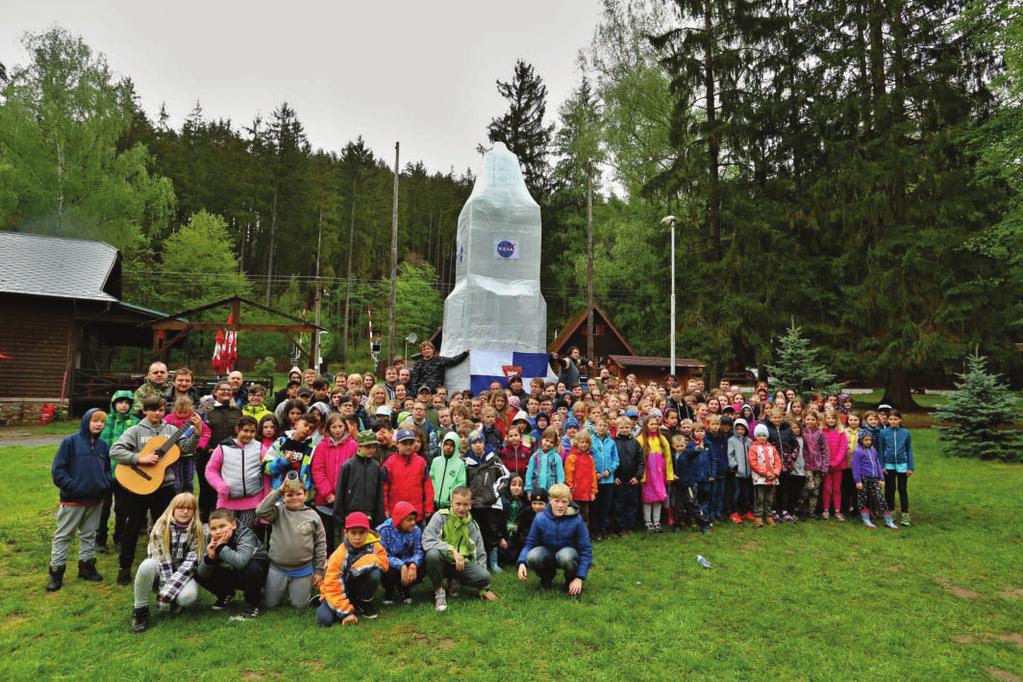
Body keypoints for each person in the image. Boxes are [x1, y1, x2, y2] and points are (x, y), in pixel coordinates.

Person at [110, 396, 199, 586]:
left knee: (165, 528)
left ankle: (163, 565)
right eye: (153, 410)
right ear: (145, 411)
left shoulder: (171, 431)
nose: (157, 413)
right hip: (138, 487)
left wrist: (197, 432)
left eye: (160, 410)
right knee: (132, 528)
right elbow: (115, 451)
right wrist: (139, 459)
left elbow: (185, 448)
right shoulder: (135, 431)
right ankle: (124, 567)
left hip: (164, 487)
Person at [46, 408, 112, 591]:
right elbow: (58, 471)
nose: (99, 424)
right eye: (95, 420)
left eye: (102, 422)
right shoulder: (70, 442)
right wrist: (73, 486)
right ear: (86, 421)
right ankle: (56, 573)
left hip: (95, 501)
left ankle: (87, 568)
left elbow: (107, 470)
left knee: (89, 535)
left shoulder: (103, 446)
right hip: (73, 501)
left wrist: (105, 484)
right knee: (63, 536)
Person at [130, 492, 203, 633]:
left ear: (194, 511)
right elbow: (161, 559)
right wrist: (166, 591)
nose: (185, 511)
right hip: (161, 568)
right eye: (181, 508)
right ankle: (140, 610)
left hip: (184, 572)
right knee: (147, 565)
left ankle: (175, 601)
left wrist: (168, 592)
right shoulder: (160, 527)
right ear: (173, 509)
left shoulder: (198, 529)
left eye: (189, 508)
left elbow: (191, 563)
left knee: (187, 598)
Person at [255, 472, 327, 609]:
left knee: (300, 605)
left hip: (303, 569)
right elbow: (260, 511)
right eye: (289, 495)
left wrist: (318, 571)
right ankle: (278, 587)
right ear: (283, 497)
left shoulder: (313, 516)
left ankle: (297, 589)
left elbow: (320, 544)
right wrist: (279, 490)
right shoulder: (278, 511)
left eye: (298, 494)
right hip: (278, 567)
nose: (294, 497)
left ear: (305, 495)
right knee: (270, 604)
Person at [421, 486, 498, 612]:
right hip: (441, 561)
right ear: (451, 502)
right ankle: (439, 590)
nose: (461, 508)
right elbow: (426, 540)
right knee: (432, 555)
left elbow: (480, 554)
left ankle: (454, 579)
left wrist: (484, 588)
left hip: (461, 566)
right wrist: (451, 550)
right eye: (458, 504)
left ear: (470, 505)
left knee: (485, 576)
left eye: (465, 504)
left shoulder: (472, 526)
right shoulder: (439, 517)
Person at [516, 483, 592, 595]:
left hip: (568, 554)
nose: (560, 505)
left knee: (565, 556)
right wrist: (522, 562)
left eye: (564, 501)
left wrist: (579, 577)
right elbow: (530, 543)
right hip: (549, 553)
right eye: (556, 501)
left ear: (569, 503)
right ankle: (547, 576)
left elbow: (586, 550)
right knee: (532, 557)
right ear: (550, 500)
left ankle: (570, 579)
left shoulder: (577, 520)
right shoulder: (540, 518)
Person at [316, 511, 390, 626]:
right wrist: (346, 613)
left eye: (362, 532)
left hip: (357, 587)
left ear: (368, 532)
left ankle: (363, 603)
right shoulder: (339, 555)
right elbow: (333, 584)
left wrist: (360, 566)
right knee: (323, 620)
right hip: (337, 588)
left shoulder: (374, 545)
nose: (358, 537)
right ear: (346, 533)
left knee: (375, 573)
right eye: (353, 532)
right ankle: (338, 604)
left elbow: (384, 562)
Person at [195, 508, 269, 618]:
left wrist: (220, 547)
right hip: (233, 572)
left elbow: (241, 562)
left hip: (257, 574)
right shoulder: (210, 539)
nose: (218, 531)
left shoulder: (246, 534)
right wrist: (210, 558)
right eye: (213, 528)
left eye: (222, 526)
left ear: (233, 524)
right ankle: (225, 594)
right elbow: (202, 574)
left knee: (252, 567)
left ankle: (251, 605)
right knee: (195, 568)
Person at [205, 415, 268, 532]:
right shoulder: (223, 447)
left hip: (252, 502)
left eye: (252, 431)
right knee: (226, 535)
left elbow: (268, 471)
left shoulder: (260, 448)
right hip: (227, 502)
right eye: (245, 430)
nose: (248, 434)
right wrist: (220, 485)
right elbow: (211, 470)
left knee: (244, 535)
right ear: (237, 429)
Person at [311, 414, 357, 556]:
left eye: (340, 426)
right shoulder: (322, 446)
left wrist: (345, 495)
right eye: (334, 427)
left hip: (346, 500)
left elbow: (355, 472)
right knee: (326, 535)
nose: (337, 430)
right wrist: (328, 494)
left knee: (346, 535)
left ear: (345, 427)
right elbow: (318, 470)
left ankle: (345, 564)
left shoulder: (353, 445)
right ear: (328, 429)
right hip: (325, 500)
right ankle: (326, 564)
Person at [464, 430, 510, 573]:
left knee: (492, 533)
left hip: (491, 503)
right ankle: (478, 561)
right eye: (474, 443)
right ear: (470, 445)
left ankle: (494, 563)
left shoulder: (494, 459)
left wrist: (495, 493)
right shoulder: (466, 463)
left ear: (484, 443)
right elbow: (463, 483)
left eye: (480, 442)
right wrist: (467, 499)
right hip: (475, 505)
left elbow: (505, 476)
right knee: (476, 533)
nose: (478, 445)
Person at [97, 390, 137, 552]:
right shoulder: (104, 421)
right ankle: (99, 539)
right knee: (103, 507)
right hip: (104, 472)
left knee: (122, 508)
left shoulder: (135, 422)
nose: (123, 405)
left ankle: (119, 537)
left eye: (127, 403)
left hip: (125, 472)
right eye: (120, 402)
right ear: (114, 404)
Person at [198, 382, 242, 522]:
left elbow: (239, 433)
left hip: (230, 457)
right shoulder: (206, 408)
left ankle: (226, 521)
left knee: (225, 489)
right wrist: (206, 448)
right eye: (222, 389)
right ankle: (205, 521)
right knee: (207, 490)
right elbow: (197, 429)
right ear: (215, 392)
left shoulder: (236, 411)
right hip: (208, 456)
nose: (226, 392)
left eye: (229, 390)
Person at [334, 430, 387, 528]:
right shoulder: (348, 466)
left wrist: (380, 520)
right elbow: (340, 494)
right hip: (350, 518)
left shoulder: (376, 467)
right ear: (359, 447)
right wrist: (340, 519)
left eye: (374, 447)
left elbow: (379, 496)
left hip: (370, 519)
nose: (371, 450)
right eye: (368, 447)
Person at [381, 428, 435, 521]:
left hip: (416, 514)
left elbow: (428, 486)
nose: (408, 446)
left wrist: (428, 507)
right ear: (397, 444)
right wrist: (385, 508)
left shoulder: (421, 462)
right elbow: (384, 489)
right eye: (404, 443)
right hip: (396, 514)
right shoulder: (389, 464)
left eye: (411, 443)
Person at [376, 501, 423, 606]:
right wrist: (401, 565)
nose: (413, 523)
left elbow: (419, 551)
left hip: (408, 561)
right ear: (399, 520)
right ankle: (389, 591)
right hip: (391, 563)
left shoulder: (416, 530)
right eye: (409, 520)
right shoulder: (382, 530)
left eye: (414, 519)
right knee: (387, 571)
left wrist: (413, 565)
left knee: (422, 568)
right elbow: (382, 555)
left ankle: (405, 588)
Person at [163, 396, 211, 494]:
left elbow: (206, 433)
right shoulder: (168, 419)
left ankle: (188, 500)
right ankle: (176, 500)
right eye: (179, 412)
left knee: (189, 480)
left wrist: (199, 445)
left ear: (191, 410)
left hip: (189, 456)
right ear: (174, 409)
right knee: (175, 481)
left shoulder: (196, 420)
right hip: (173, 457)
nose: (182, 415)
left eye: (185, 413)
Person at [851, 431, 898, 529]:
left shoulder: (873, 450)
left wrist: (881, 478)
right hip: (863, 479)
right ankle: (866, 520)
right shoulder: (858, 451)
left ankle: (888, 521)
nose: (868, 442)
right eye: (865, 440)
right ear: (861, 440)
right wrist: (858, 481)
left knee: (880, 498)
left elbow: (877, 464)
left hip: (874, 479)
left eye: (870, 440)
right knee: (862, 499)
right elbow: (856, 467)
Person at [262, 413, 317, 491]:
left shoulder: (312, 449)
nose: (307, 429)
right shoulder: (280, 443)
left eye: (311, 428)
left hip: (300, 495)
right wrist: (282, 461)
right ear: (297, 424)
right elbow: (266, 468)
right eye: (305, 425)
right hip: (280, 495)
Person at [877, 409, 914, 526]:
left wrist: (910, 467)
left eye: (895, 419)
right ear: (887, 420)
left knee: (902, 489)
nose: (893, 421)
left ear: (900, 420)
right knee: (890, 489)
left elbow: (909, 450)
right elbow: (881, 450)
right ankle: (891, 512)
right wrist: (882, 466)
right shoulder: (883, 433)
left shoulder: (906, 433)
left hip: (902, 465)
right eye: (891, 419)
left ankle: (905, 514)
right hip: (888, 465)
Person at [672, 433, 711, 533]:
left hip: (688, 484)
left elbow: (694, 451)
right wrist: (672, 475)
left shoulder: (687, 454)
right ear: (673, 446)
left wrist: (699, 448)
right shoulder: (672, 456)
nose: (680, 448)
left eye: (682, 446)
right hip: (678, 484)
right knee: (679, 506)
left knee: (693, 504)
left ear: (685, 445)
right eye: (677, 446)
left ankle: (704, 524)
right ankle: (678, 524)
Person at [638, 415, 672, 532]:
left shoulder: (662, 439)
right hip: (647, 474)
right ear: (646, 425)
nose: (654, 426)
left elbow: (668, 458)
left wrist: (669, 475)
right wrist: (641, 476)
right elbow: (639, 460)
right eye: (651, 424)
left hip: (659, 474)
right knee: (648, 498)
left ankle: (656, 521)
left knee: (658, 498)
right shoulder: (641, 439)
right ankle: (648, 521)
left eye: (656, 424)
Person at [612, 416, 644, 534]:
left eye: (627, 427)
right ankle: (620, 528)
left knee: (632, 504)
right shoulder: (613, 442)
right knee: (619, 505)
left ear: (631, 428)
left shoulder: (635, 443)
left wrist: (638, 476)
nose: (624, 430)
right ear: (616, 428)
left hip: (633, 480)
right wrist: (614, 477)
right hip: (619, 480)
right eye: (622, 427)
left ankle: (630, 526)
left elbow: (641, 461)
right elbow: (611, 461)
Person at [589, 416, 619, 541]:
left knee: (606, 506)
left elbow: (616, 460)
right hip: (595, 480)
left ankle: (604, 529)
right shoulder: (591, 440)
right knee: (595, 506)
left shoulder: (611, 442)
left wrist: (609, 470)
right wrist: (594, 472)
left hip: (608, 480)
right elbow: (588, 457)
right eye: (600, 425)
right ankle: (595, 531)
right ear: (595, 426)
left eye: (604, 426)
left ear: (608, 428)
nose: (602, 428)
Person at [749, 424, 782, 527]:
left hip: (772, 477)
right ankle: (758, 517)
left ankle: (769, 515)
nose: (762, 437)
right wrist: (764, 472)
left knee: (769, 498)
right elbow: (753, 463)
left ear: (767, 436)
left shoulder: (772, 448)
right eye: (759, 435)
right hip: (760, 478)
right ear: (756, 436)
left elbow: (778, 461)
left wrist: (775, 473)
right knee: (759, 498)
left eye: (764, 435)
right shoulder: (753, 448)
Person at [564, 430, 598, 530]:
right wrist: (569, 490)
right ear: (576, 443)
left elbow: (593, 476)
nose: (584, 444)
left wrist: (593, 491)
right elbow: (568, 475)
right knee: (574, 515)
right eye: (582, 442)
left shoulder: (590, 458)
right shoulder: (572, 457)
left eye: (586, 442)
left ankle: (584, 535)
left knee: (585, 515)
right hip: (575, 493)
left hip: (586, 493)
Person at [821, 410, 849, 521]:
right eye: (828, 418)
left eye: (833, 418)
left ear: (836, 419)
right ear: (825, 419)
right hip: (826, 466)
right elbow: (821, 448)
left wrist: (835, 462)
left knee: (837, 488)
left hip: (838, 465)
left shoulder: (841, 432)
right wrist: (826, 463)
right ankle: (826, 510)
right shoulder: (822, 432)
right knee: (827, 488)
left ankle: (837, 511)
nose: (831, 420)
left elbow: (843, 448)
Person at [800, 411, 829, 519]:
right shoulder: (802, 433)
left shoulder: (820, 433)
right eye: (808, 419)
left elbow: (825, 450)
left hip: (818, 466)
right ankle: (800, 507)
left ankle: (812, 510)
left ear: (816, 421)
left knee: (816, 490)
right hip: (806, 465)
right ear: (804, 420)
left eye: (812, 419)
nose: (810, 421)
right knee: (809, 486)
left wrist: (824, 466)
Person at [429, 432, 466, 510]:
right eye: (446, 444)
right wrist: (431, 496)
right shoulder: (436, 461)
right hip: (434, 504)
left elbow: (461, 483)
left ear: (456, 447)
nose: (448, 447)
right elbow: (431, 479)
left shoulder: (460, 464)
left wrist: (451, 495)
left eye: (452, 445)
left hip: (449, 505)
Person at [727, 418, 754, 524]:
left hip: (748, 473)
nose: (740, 431)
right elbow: (730, 454)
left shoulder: (749, 441)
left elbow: (752, 455)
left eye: (742, 429)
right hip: (737, 472)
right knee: (736, 493)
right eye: (738, 429)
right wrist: (734, 465)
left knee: (746, 493)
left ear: (746, 429)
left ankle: (745, 511)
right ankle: (734, 512)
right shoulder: (731, 440)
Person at [525, 427, 565, 494]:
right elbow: (529, 474)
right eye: (546, 440)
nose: (548, 443)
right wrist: (529, 490)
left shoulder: (556, 457)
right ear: (541, 439)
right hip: (536, 489)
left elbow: (560, 474)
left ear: (554, 444)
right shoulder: (535, 456)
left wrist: (559, 489)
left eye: (551, 442)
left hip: (551, 491)